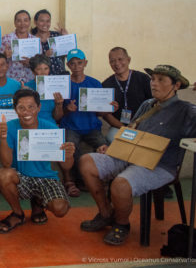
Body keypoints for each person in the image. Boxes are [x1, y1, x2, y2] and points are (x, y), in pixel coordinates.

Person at [80, 65, 196, 246]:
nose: (154, 84)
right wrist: (113, 148)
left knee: (121, 184)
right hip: (129, 155)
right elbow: (131, 131)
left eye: (161, 80)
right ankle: (105, 213)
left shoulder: (186, 110)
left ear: (176, 85)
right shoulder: (147, 105)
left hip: (159, 165)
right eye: (153, 79)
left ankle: (121, 224)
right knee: (87, 162)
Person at [0, 89, 74, 233]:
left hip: (46, 178)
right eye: (21, 108)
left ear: (39, 107)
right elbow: (6, 164)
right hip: (21, 178)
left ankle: (38, 201)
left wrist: (68, 154)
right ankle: (18, 213)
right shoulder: (9, 127)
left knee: (60, 209)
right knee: (4, 174)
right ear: (15, 110)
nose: (26, 112)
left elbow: (66, 166)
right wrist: (4, 137)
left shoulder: (51, 128)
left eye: (31, 107)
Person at [59, 48, 112, 198]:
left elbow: (100, 113)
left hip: (92, 127)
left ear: (85, 63)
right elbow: (58, 113)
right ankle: (70, 181)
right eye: (72, 63)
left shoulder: (95, 83)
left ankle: (101, 179)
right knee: (68, 149)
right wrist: (67, 109)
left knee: (104, 147)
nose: (76, 66)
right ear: (68, 65)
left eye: (79, 63)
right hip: (70, 127)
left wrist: (109, 108)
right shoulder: (64, 84)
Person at [101, 47, 152, 143]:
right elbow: (106, 115)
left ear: (128, 60)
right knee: (112, 138)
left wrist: (140, 125)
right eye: (112, 61)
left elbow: (154, 104)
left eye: (120, 59)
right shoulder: (106, 85)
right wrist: (124, 127)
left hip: (144, 126)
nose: (117, 64)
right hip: (120, 127)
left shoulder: (143, 79)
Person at [24, 54, 64, 125]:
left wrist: (59, 105)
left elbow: (57, 118)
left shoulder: (55, 86)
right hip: (30, 125)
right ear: (33, 71)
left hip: (49, 124)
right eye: (39, 69)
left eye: (46, 68)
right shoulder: (26, 87)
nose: (43, 72)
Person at [2, 10, 40, 83]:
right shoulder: (6, 39)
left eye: (25, 20)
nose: (22, 24)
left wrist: (31, 63)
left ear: (29, 22)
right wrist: (4, 55)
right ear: (15, 23)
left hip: (30, 79)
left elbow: (39, 63)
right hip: (11, 79)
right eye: (19, 21)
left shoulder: (35, 40)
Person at [30, 9, 68, 75]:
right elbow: (31, 63)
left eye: (48, 21)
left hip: (60, 75)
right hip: (41, 78)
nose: (45, 24)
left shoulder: (57, 36)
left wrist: (65, 38)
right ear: (35, 22)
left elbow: (68, 55)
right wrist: (45, 56)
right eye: (42, 21)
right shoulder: (31, 39)